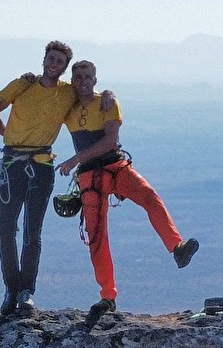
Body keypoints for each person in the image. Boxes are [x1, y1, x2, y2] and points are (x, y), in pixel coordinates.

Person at [57, 60, 198, 328]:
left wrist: (74, 159)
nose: (83, 81)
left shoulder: (108, 103)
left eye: (88, 77)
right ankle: (107, 296)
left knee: (149, 197)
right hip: (90, 177)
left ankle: (177, 247)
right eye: (78, 77)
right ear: (73, 81)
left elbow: (110, 141)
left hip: (114, 167)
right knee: (97, 237)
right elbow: (51, 90)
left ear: (95, 81)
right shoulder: (68, 107)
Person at [0, 41, 113, 318]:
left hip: (40, 166)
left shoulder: (68, 93)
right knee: (5, 231)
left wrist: (109, 93)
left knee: (32, 232)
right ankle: (11, 290)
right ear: (44, 60)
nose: (54, 64)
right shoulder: (22, 85)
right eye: (51, 58)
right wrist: (10, 137)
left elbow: (91, 94)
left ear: (64, 67)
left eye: (60, 61)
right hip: (11, 164)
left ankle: (26, 292)